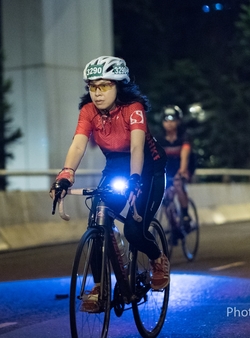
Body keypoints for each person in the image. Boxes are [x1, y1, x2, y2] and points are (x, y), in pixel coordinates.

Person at [50, 56, 169, 312]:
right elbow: (78, 144)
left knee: (135, 232)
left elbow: (137, 145)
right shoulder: (88, 111)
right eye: (93, 86)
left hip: (147, 169)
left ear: (119, 86)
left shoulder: (133, 107)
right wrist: (66, 174)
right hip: (115, 166)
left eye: (104, 86)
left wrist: (136, 178)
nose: (97, 93)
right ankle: (100, 286)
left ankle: (158, 258)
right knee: (97, 220)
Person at [157, 105, 195, 231]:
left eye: (172, 120)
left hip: (183, 166)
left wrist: (182, 171)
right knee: (166, 195)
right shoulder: (160, 138)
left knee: (178, 184)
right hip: (167, 169)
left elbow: (185, 155)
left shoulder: (184, 136)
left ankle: (185, 215)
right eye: (166, 120)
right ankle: (173, 224)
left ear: (178, 121)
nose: (169, 124)